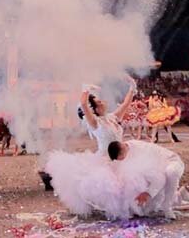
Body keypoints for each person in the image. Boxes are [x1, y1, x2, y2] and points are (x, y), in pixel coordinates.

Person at [40, 77, 137, 215]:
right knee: (112, 186)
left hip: (121, 156)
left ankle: (129, 206)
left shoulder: (113, 118)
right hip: (105, 159)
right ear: (95, 109)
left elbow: (126, 104)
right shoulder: (95, 122)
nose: (103, 102)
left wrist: (132, 87)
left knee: (129, 181)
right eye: (99, 102)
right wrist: (85, 89)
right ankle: (114, 209)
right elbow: (84, 105)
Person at [107, 139, 185, 219]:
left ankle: (167, 207)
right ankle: (180, 195)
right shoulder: (127, 150)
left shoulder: (140, 154)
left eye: (121, 158)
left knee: (171, 173)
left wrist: (148, 193)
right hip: (158, 171)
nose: (122, 160)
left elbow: (160, 178)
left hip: (172, 161)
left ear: (122, 151)